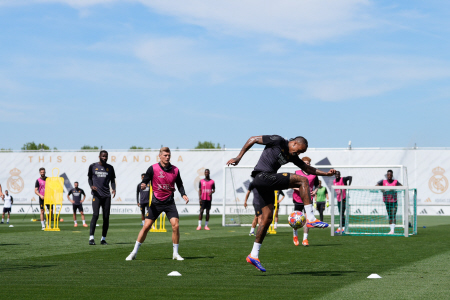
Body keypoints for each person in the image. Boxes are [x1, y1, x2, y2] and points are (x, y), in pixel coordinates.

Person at [227, 135, 335, 272]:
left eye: (302, 153)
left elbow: (309, 169)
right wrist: (238, 157)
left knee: (267, 219)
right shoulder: (278, 141)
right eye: (299, 150)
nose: (299, 154)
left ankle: (253, 255)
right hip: (262, 176)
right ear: (294, 143)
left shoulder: (291, 156)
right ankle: (311, 218)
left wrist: (326, 174)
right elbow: (253, 139)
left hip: (266, 183)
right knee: (303, 180)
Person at [126, 147, 189, 261]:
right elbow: (146, 179)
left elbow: (179, 184)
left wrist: (183, 194)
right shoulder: (153, 168)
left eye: (168, 155)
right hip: (156, 202)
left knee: (176, 225)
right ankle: (134, 252)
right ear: (159, 156)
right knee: (146, 226)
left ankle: (175, 253)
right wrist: (144, 184)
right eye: (165, 155)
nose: (167, 157)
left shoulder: (175, 170)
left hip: (169, 202)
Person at [88, 150, 116, 245]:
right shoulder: (93, 166)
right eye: (103, 156)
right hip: (96, 195)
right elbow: (89, 178)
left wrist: (114, 189)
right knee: (95, 215)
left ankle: (103, 239)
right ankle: (91, 238)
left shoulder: (110, 168)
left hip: (106, 196)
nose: (104, 158)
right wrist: (91, 186)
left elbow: (112, 180)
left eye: (106, 156)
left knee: (106, 217)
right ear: (99, 156)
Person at [291, 156, 319, 247]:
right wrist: (300, 189)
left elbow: (317, 185)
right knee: (296, 219)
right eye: (306, 163)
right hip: (298, 199)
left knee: (308, 219)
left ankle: (305, 239)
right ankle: (295, 236)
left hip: (308, 199)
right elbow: (291, 185)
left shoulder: (314, 174)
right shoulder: (297, 173)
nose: (308, 164)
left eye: (308, 163)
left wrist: (315, 191)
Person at [376, 170, 402, 235]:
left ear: (392, 175)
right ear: (386, 175)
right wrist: (382, 190)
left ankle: (392, 230)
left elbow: (402, 186)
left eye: (390, 175)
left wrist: (394, 188)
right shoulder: (383, 181)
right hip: (387, 201)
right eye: (388, 175)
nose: (389, 176)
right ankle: (391, 230)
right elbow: (376, 185)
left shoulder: (395, 182)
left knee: (393, 214)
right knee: (390, 215)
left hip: (394, 201)